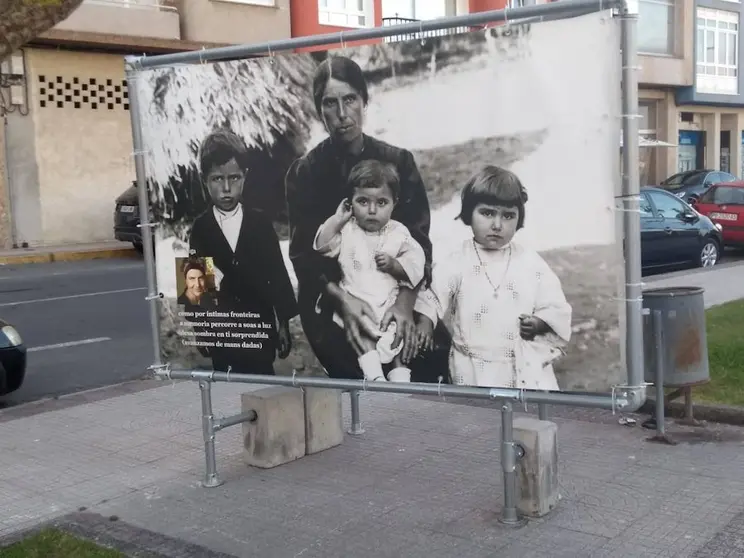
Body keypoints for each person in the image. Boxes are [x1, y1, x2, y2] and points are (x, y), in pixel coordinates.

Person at [285, 54, 433, 380]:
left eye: (350, 99)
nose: (342, 114)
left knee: (424, 363)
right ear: (318, 109)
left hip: (398, 289)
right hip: (332, 297)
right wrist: (344, 302)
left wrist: (406, 304)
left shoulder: (398, 163)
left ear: (365, 100)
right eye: (330, 103)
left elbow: (419, 244)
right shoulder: (305, 173)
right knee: (358, 379)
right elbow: (304, 256)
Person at [414, 165, 572, 391]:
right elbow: (433, 295)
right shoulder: (457, 260)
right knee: (479, 419)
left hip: (520, 366)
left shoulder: (530, 262)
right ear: (469, 213)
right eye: (487, 213)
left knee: (523, 422)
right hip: (472, 366)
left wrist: (539, 322)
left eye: (508, 216)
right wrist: (425, 321)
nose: (497, 225)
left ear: (519, 219)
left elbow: (554, 303)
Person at [189, 129, 298, 375]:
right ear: (204, 179)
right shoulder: (201, 228)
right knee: (227, 387)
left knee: (263, 386)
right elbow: (196, 287)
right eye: (217, 179)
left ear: (245, 177)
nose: (226, 188)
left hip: (258, 328)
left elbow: (277, 275)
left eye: (234, 178)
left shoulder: (260, 224)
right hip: (223, 332)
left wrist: (283, 324)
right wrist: (201, 330)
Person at [313, 159, 426, 382]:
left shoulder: (398, 232)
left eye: (381, 202)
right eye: (363, 201)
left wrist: (396, 265)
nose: (372, 210)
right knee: (363, 334)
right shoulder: (348, 230)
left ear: (395, 202)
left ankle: (400, 379)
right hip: (357, 298)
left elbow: (417, 262)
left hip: (388, 301)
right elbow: (322, 245)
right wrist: (337, 219)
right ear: (350, 203)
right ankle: (374, 376)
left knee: (397, 337)